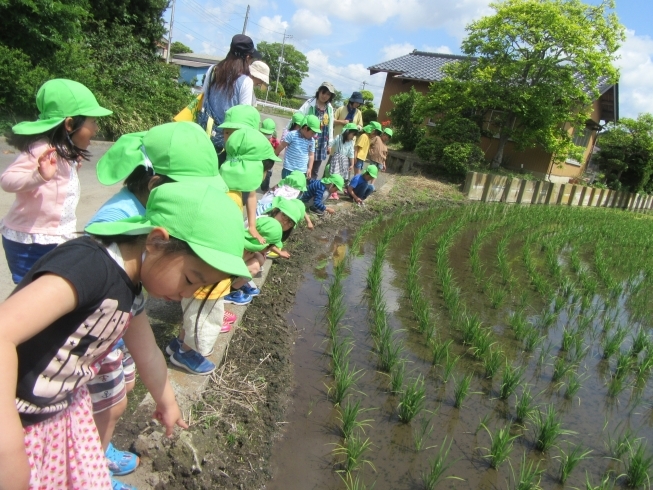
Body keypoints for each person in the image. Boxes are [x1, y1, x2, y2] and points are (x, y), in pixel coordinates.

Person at [0, 181, 249, 490]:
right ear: (157, 242)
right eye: (189, 280)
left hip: (59, 412)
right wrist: (8, 448)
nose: (187, 294)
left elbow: (146, 352)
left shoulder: (130, 287)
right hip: (16, 418)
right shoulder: (90, 267)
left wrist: (166, 401)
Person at [88, 122, 229, 481]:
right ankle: (90, 470)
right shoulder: (109, 252)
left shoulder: (138, 255)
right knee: (107, 403)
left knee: (119, 395)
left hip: (111, 330)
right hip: (85, 349)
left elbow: (142, 335)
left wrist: (165, 399)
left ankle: (93, 458)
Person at [0, 79, 112, 285]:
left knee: (48, 293)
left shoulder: (64, 151)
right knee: (33, 295)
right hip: (30, 240)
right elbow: (7, 180)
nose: (96, 129)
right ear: (70, 124)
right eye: (92, 122)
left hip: (55, 236)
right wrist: (38, 176)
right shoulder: (42, 148)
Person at [220, 128, 281, 306]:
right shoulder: (231, 197)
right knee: (255, 260)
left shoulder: (234, 186)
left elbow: (252, 195)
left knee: (256, 258)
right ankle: (222, 293)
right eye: (265, 170)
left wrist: (252, 227)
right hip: (214, 260)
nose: (265, 175)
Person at [197, 34, 261, 163]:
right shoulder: (246, 82)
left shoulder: (213, 70)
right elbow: (243, 120)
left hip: (204, 136)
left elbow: (202, 100)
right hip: (227, 145)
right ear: (247, 57)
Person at [296, 82, 336, 179]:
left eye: (328, 94)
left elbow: (330, 126)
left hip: (322, 141)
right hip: (308, 139)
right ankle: (300, 188)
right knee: (303, 166)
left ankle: (310, 190)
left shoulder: (329, 108)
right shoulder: (310, 103)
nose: (325, 96)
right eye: (323, 92)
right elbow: (298, 116)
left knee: (315, 169)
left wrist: (329, 144)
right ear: (319, 91)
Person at [275, 115, 320, 179]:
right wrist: (275, 154)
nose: (314, 135)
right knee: (286, 187)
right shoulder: (292, 134)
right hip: (289, 168)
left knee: (298, 188)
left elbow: (311, 155)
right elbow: (282, 145)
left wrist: (310, 168)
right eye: (312, 133)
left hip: (301, 171)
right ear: (305, 128)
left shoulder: (312, 141)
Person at [326, 123, 358, 198]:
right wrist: (329, 147)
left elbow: (351, 154)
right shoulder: (338, 137)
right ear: (347, 132)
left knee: (340, 177)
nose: (353, 137)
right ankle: (330, 191)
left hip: (344, 161)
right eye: (352, 134)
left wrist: (352, 164)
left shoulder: (351, 142)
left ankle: (335, 191)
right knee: (334, 175)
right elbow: (331, 143)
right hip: (336, 159)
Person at [259, 118, 279, 192]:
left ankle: (265, 189)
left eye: (268, 134)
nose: (266, 135)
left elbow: (277, 149)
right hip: (259, 159)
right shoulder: (258, 136)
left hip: (268, 160)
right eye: (264, 133)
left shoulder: (274, 140)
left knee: (267, 174)